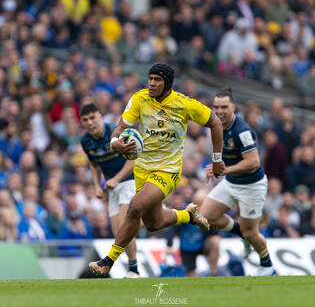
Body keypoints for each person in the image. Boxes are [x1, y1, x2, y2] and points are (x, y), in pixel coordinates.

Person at [88, 62, 225, 276]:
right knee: (154, 223)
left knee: (135, 207)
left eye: (157, 80)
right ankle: (188, 215)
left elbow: (216, 123)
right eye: (150, 79)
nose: (151, 83)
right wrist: (116, 143)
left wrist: (217, 159)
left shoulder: (184, 104)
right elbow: (120, 129)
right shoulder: (139, 99)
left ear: (167, 83)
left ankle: (108, 261)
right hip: (142, 169)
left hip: (167, 171)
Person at [199, 88, 276, 276]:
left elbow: (253, 162)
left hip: (252, 186)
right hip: (231, 182)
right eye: (216, 107)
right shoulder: (214, 126)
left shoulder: (243, 131)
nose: (219, 111)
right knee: (204, 217)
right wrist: (216, 167)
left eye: (224, 107)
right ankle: (241, 232)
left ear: (233, 107)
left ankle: (267, 265)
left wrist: (222, 170)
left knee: (252, 233)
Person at [80, 103, 140, 278]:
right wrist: (96, 185)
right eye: (85, 120)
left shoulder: (115, 133)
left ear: (100, 116)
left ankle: (133, 271)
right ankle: (134, 268)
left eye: (93, 118)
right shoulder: (85, 141)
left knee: (124, 225)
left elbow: (134, 159)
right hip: (112, 189)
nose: (90, 123)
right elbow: (93, 163)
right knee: (119, 232)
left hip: (129, 181)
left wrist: (116, 178)